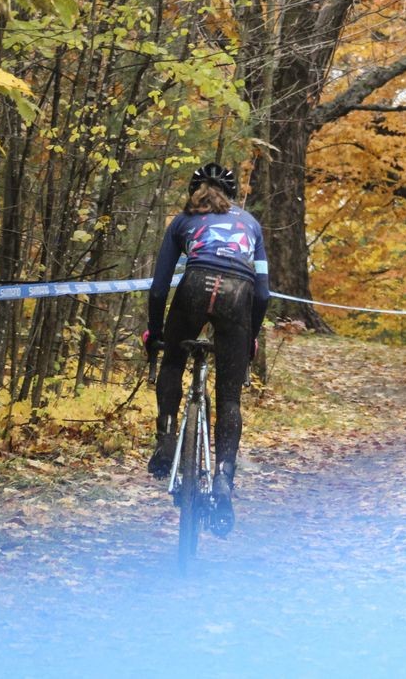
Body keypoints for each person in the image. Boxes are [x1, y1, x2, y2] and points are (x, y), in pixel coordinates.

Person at [142, 162, 269, 537]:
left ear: (193, 191)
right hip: (239, 292)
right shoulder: (251, 224)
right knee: (229, 397)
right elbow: (263, 292)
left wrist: (156, 333)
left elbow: (158, 287)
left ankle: (166, 441)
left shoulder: (183, 221)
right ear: (230, 195)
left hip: (195, 284)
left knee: (173, 361)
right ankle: (224, 480)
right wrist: (251, 338)